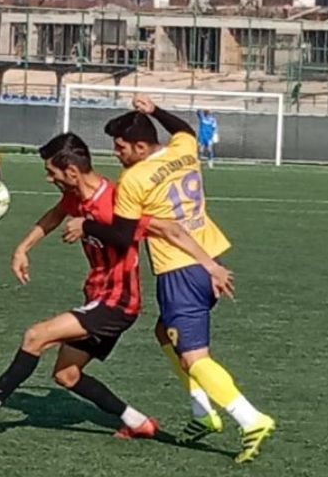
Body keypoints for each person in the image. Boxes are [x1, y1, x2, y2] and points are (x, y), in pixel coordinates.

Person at [0, 133, 232, 438]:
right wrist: (23, 249)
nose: (49, 179)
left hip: (117, 303)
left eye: (52, 172)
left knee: (36, 336)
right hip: (98, 296)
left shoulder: (117, 200)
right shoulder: (76, 196)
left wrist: (210, 265)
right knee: (67, 375)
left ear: (72, 171)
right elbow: (55, 215)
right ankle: (138, 422)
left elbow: (167, 228)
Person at [62, 96, 275, 464]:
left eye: (121, 147)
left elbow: (124, 236)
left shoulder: (134, 179)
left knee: (194, 357)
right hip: (208, 255)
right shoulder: (184, 149)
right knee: (165, 333)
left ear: (141, 146)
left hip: (178, 268)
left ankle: (251, 419)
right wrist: (155, 111)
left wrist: (87, 225)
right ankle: (201, 413)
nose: (116, 153)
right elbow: (184, 130)